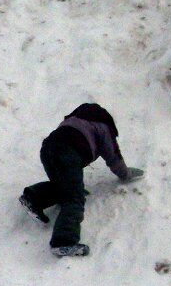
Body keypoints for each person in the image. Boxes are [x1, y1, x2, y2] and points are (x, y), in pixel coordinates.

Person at [19, 102, 143, 257]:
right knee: (74, 198)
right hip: (68, 153)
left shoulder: (72, 121)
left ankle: (33, 198)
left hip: (47, 148)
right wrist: (125, 173)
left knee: (63, 187)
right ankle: (63, 242)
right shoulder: (103, 127)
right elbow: (113, 157)